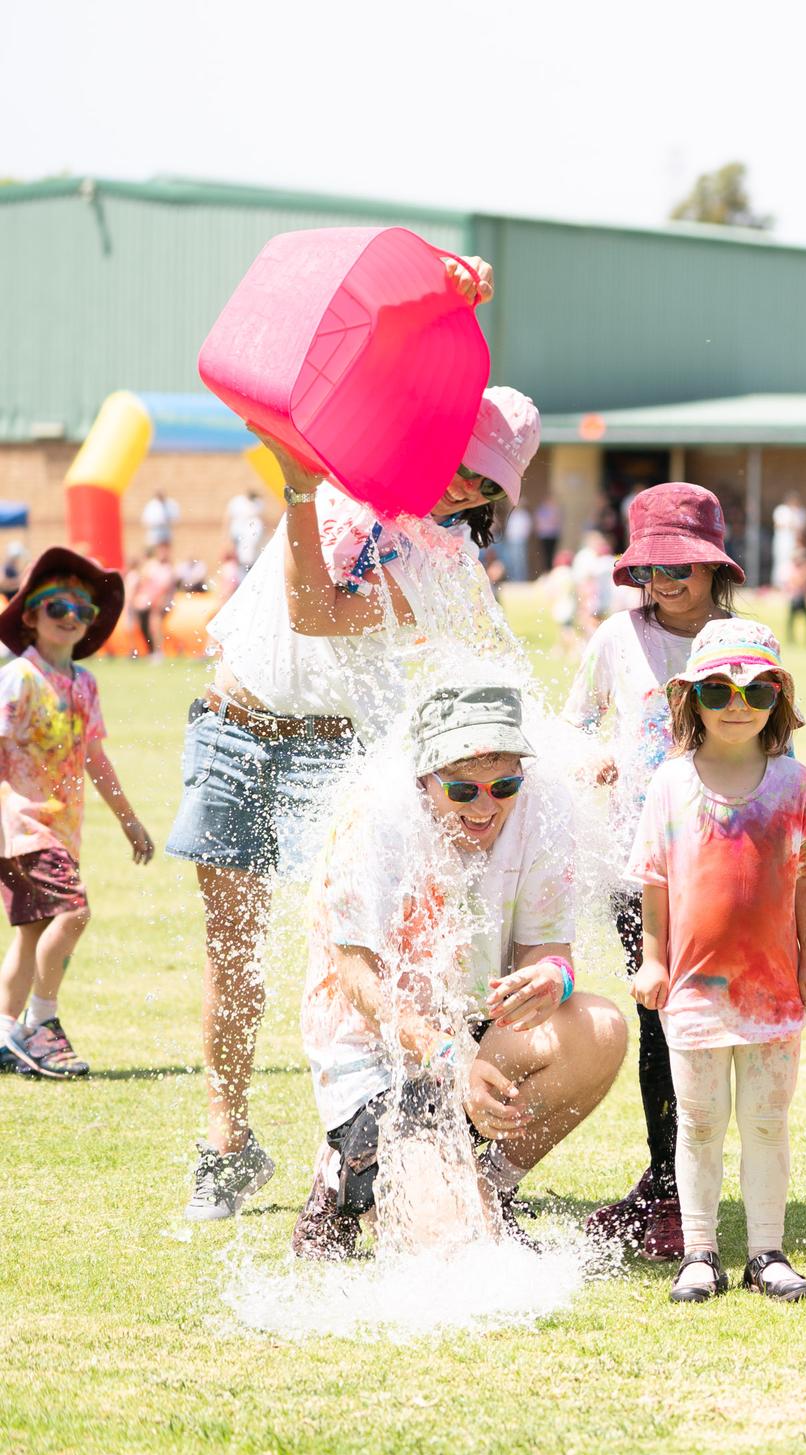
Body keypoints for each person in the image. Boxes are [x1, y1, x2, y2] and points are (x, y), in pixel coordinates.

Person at [172, 367, 540, 1225]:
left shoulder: (442, 560)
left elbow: (317, 610)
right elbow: (360, 357)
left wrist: (298, 493)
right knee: (231, 950)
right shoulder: (356, 458)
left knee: (351, 953)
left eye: (488, 484)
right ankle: (228, 1144)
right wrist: (444, 297)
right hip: (231, 724)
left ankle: (355, 1151)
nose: (469, 487)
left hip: (332, 749)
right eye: (466, 464)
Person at [291, 684, 627, 1258]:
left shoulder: (544, 807)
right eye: (463, 789)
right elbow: (357, 981)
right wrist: (450, 1057)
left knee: (600, 1027)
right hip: (383, 1061)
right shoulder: (374, 820)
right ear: (425, 778)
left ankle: (488, 1188)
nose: (485, 806)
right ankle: (340, 1176)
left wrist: (553, 978)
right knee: (449, 1254)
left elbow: (549, 948)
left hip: (474, 1042)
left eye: (503, 786)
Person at [628, 619, 806, 1303]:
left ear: (780, 698)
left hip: (772, 990)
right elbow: (655, 881)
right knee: (699, 1122)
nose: (738, 705)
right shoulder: (670, 783)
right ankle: (699, 1253)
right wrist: (653, 961)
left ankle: (766, 1252)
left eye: (757, 691)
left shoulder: (795, 783)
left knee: (768, 1122)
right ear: (692, 699)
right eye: (718, 690)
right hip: (693, 990)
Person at [570, 485, 747, 1264]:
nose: (664, 582)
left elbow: (777, 740)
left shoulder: (742, 640)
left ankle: (689, 1180)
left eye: (680, 566)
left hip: (723, 860)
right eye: (649, 569)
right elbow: (574, 723)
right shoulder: (618, 637)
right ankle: (668, 1184)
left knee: (711, 1026)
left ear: (714, 568)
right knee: (657, 1020)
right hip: (637, 866)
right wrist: (592, 757)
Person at [0, 550, 152, 1078]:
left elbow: (95, 758)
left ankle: (4, 1033)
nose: (71, 616)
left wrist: (128, 819)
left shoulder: (84, 684)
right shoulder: (18, 678)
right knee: (73, 913)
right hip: (21, 826)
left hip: (60, 831)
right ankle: (41, 1023)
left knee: (33, 931)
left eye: (83, 610)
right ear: (30, 614)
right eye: (57, 606)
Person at [771, 493, 806, 646]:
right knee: (782, 565)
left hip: (795, 541)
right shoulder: (782, 510)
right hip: (784, 540)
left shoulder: (801, 512)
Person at [130, 543, 178, 658]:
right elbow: (144, 581)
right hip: (150, 601)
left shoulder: (168, 568)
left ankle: (158, 652)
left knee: (155, 626)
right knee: (146, 626)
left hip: (161, 602)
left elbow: (163, 588)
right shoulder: (153, 566)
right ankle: (152, 651)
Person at [503, 502, 534, 583]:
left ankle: (521, 579)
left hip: (520, 541)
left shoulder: (524, 514)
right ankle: (513, 578)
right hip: (511, 541)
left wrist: (523, 537)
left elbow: (527, 527)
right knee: (512, 560)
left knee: (520, 560)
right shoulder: (512, 514)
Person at [533, 494, 563, 574]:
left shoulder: (555, 509)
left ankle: (551, 571)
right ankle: (546, 571)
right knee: (545, 554)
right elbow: (538, 522)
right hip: (544, 536)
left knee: (552, 553)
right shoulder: (542, 509)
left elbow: (557, 521)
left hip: (553, 535)